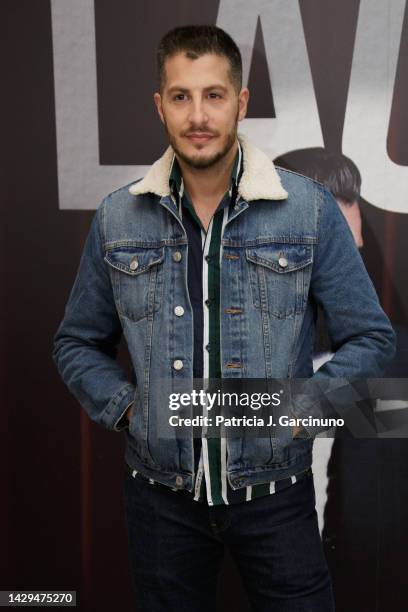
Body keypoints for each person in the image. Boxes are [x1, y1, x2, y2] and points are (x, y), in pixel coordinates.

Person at [52, 25, 396, 612]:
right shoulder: (118, 219)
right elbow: (76, 343)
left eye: (214, 95)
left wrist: (302, 410)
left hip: (275, 493)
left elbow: (372, 336)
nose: (198, 115)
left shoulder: (308, 208)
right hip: (160, 499)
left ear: (241, 102)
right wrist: (130, 410)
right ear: (160, 106)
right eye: (181, 97)